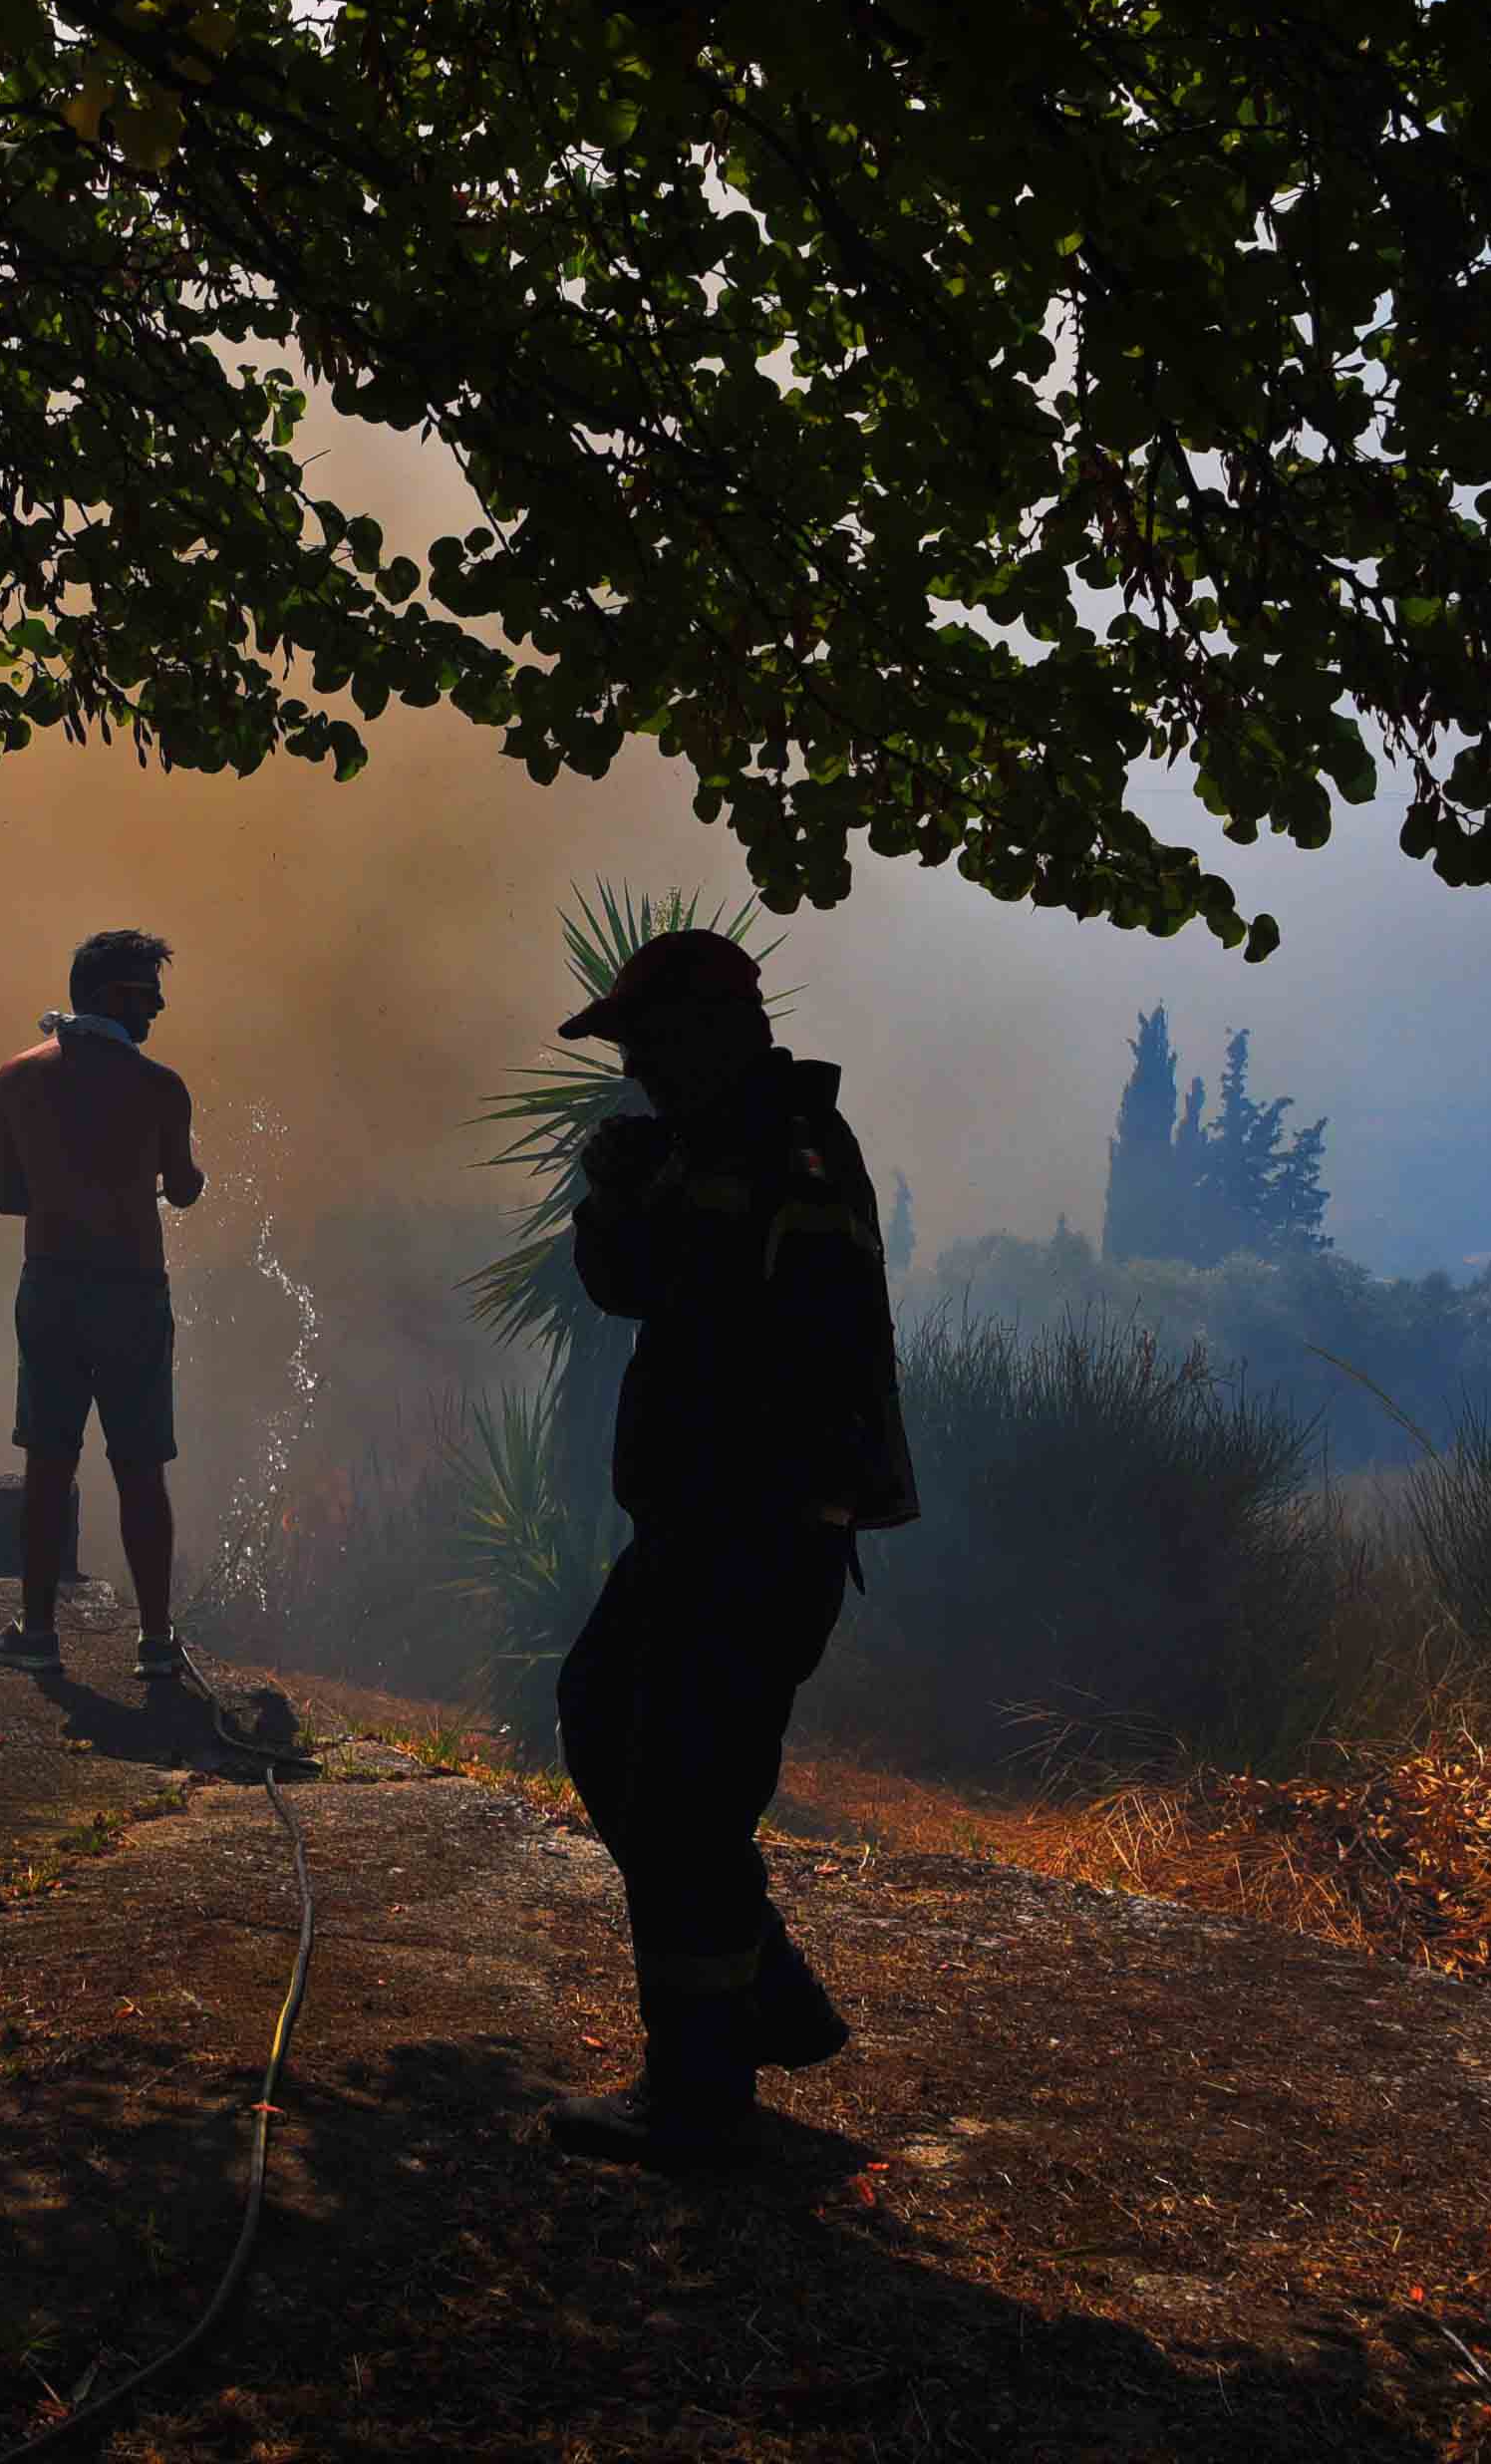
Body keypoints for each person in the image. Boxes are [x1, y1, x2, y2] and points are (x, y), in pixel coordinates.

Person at [538, 927, 919, 2169]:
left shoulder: (787, 1149)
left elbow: (718, 1307)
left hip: (752, 1531)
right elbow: (632, 1282)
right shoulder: (714, 1143)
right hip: (701, 1522)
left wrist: (637, 1196)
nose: (635, 1067)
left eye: (647, 1040)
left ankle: (697, 2092)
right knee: (603, 1716)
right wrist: (622, 1188)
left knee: (688, 1799)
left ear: (714, 1031)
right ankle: (763, 1989)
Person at [0, 927, 205, 1683]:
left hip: (51, 1285)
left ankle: (38, 1632)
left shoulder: (16, 1077)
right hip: (135, 1293)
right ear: (110, 996)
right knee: (142, 1469)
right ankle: (157, 1642)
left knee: (48, 1463)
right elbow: (183, 1186)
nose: (160, 1007)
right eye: (148, 992)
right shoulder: (162, 1088)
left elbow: (9, 1197)